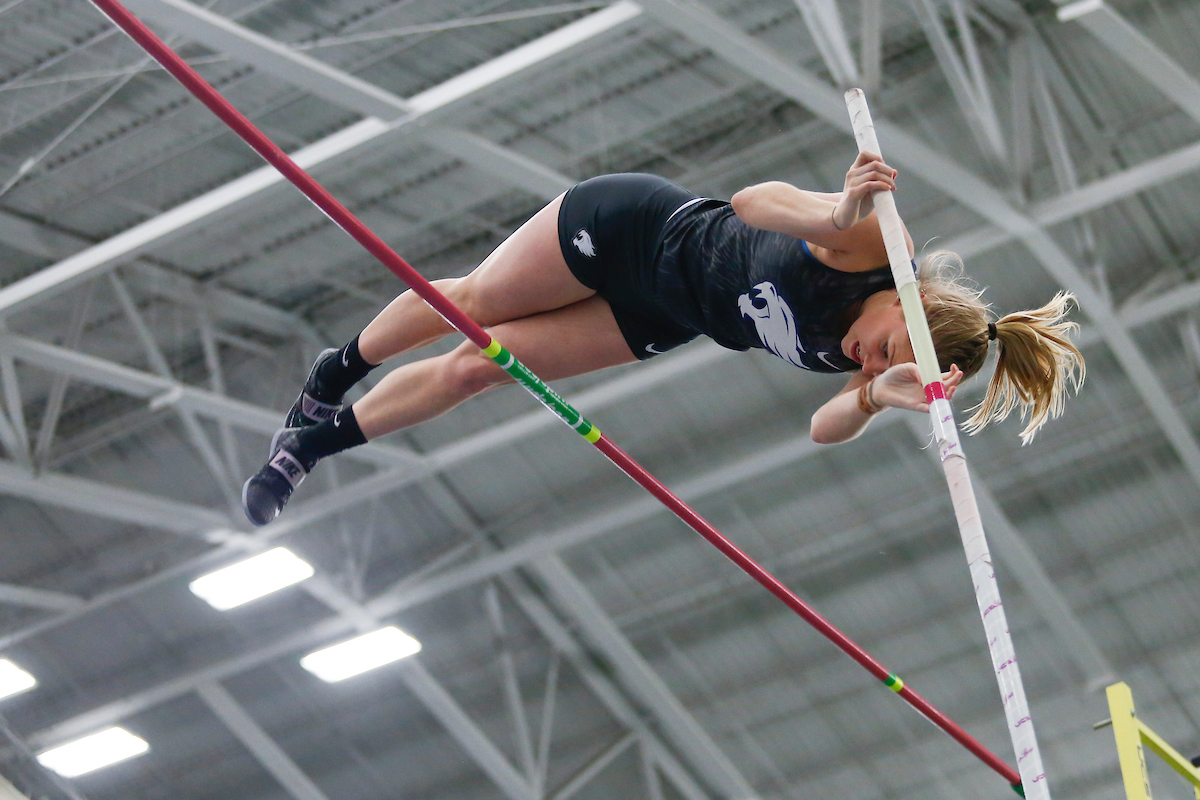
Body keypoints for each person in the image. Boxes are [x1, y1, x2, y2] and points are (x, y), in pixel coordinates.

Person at [241, 153, 1084, 526]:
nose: (869, 359)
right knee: (475, 302)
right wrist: (831, 213)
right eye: (886, 348)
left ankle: (308, 449)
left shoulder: (873, 369)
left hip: (664, 317)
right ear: (909, 299)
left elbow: (823, 429)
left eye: (878, 365)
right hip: (640, 228)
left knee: (478, 368)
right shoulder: (875, 249)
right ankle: (337, 369)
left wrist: (872, 396)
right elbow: (753, 200)